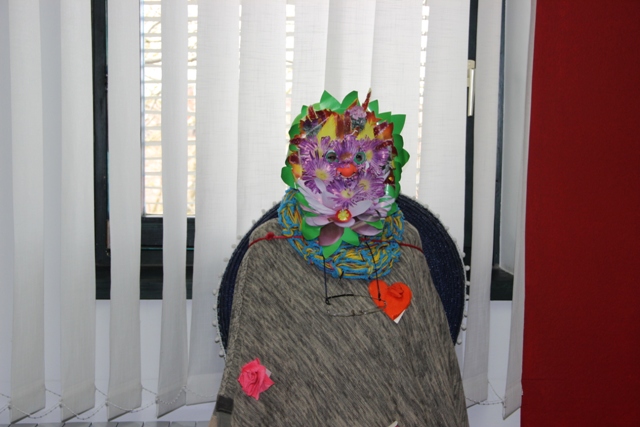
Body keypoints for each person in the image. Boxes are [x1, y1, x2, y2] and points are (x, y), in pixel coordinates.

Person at [211, 91, 469, 427]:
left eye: (360, 158)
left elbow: (429, 357)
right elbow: (251, 350)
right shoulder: (270, 248)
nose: (347, 167)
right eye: (332, 156)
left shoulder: (407, 246)